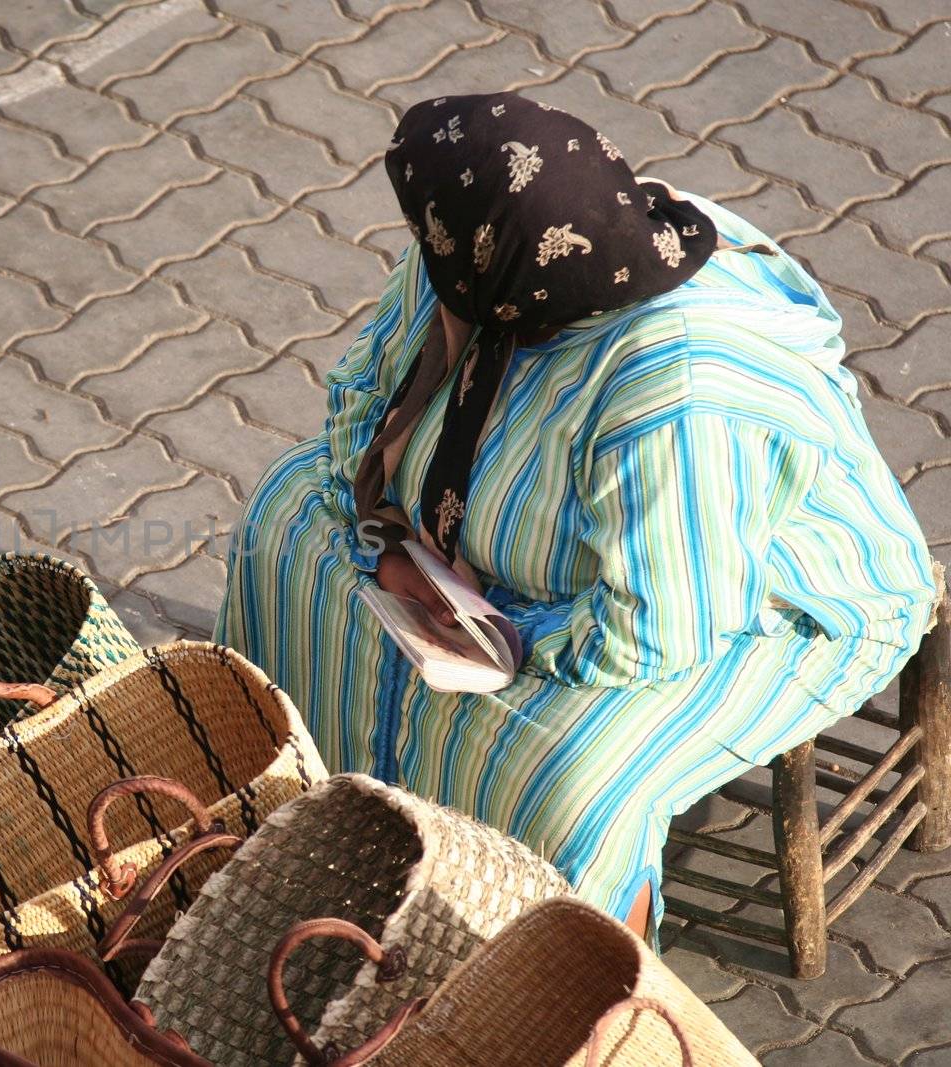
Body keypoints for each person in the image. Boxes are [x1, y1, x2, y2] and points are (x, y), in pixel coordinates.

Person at [215, 91, 937, 940]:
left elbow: (659, 630)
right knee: (285, 524)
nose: (419, 257)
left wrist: (505, 644)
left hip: (752, 606)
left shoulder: (673, 386)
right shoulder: (493, 247)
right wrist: (388, 545)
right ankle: (318, 832)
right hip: (484, 572)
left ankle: (576, 993)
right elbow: (365, 398)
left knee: (566, 775)